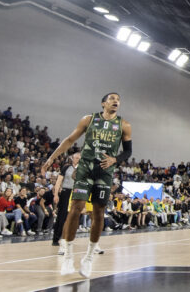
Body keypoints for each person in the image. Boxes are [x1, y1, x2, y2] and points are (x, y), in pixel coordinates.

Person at [40, 93, 132, 277]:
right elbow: (70, 140)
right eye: (112, 98)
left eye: (118, 99)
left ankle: (89, 258)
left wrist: (115, 159)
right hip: (85, 168)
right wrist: (52, 158)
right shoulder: (89, 120)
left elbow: (128, 151)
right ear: (103, 103)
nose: (116, 101)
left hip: (105, 171)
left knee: (98, 212)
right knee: (76, 208)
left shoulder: (124, 125)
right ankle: (68, 257)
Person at [52, 152, 80, 250]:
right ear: (72, 158)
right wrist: (56, 194)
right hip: (66, 192)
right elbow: (59, 181)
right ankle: (56, 239)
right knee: (61, 215)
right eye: (76, 158)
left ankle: (68, 238)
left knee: (73, 217)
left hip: (76, 193)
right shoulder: (66, 167)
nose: (78, 159)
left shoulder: (82, 169)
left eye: (79, 158)